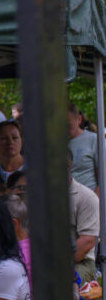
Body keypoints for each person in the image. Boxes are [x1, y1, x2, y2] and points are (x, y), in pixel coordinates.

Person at [69, 151, 100, 283]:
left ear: (69, 165)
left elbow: (87, 241)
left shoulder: (86, 197)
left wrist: (54, 267)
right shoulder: (37, 195)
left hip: (80, 262)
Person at [68, 102, 98, 190]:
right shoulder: (56, 142)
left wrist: (93, 200)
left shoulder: (94, 139)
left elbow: (103, 178)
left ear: (79, 119)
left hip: (88, 198)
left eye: (68, 125)